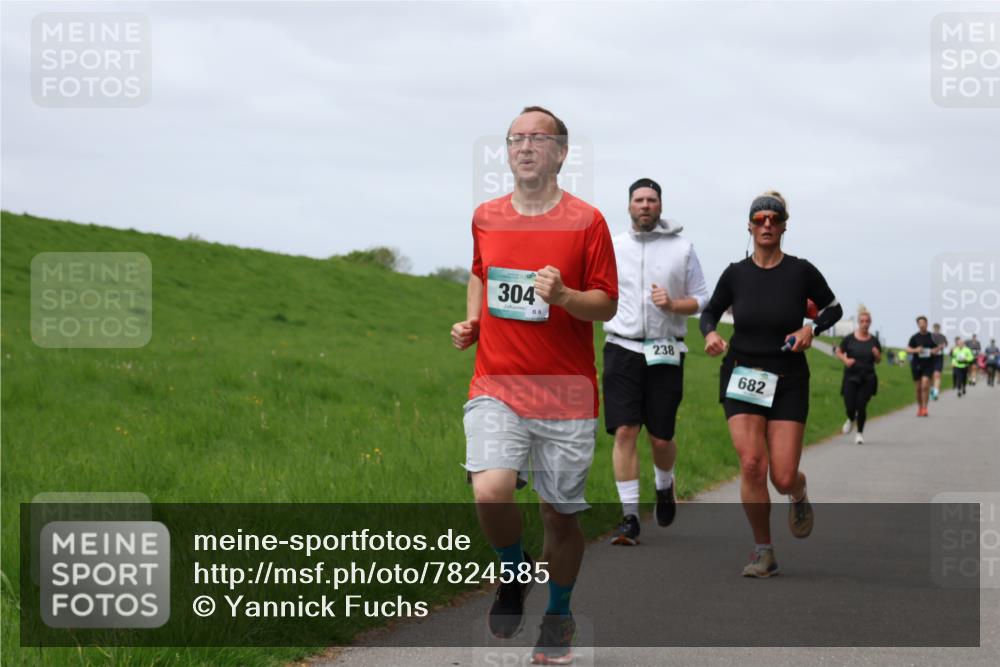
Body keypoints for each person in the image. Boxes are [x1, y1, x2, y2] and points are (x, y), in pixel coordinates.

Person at [451, 106, 618, 665]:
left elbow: (607, 301)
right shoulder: (486, 216)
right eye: (516, 138)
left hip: (567, 394)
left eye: (537, 138)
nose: (524, 146)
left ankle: (559, 612)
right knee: (489, 489)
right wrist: (473, 322)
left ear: (561, 152)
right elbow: (481, 271)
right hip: (496, 384)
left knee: (559, 515)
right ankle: (513, 569)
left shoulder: (587, 222)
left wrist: (566, 298)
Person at [700, 190, 842, 578]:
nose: (766, 225)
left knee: (781, 476)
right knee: (750, 464)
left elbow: (834, 307)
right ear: (749, 226)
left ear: (783, 227)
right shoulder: (735, 273)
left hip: (788, 379)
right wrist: (710, 333)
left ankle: (798, 493)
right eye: (759, 219)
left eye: (773, 219)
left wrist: (811, 328)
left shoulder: (801, 271)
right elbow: (709, 310)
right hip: (742, 374)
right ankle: (763, 551)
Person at [602, 177, 710, 545]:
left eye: (651, 200)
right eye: (638, 200)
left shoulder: (682, 248)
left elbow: (701, 298)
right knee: (625, 431)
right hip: (621, 346)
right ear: (629, 206)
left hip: (665, 348)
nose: (645, 205)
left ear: (660, 206)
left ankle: (665, 486)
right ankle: (629, 517)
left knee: (661, 439)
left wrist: (672, 305)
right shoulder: (612, 247)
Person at [836, 310, 882, 445]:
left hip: (868, 377)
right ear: (858, 322)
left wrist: (877, 354)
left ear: (870, 322)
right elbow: (839, 352)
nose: (865, 324)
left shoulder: (874, 341)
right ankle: (850, 419)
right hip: (851, 377)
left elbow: (878, 360)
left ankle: (859, 433)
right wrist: (845, 360)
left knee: (861, 406)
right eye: (862, 321)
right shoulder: (849, 339)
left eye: (867, 321)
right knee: (850, 405)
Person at [906, 317, 942, 417]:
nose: (922, 325)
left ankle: (925, 408)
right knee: (918, 388)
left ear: (927, 324)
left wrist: (935, 350)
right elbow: (908, 349)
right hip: (916, 364)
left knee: (925, 385)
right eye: (920, 323)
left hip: (928, 365)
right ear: (918, 325)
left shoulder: (932, 336)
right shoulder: (914, 337)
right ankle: (920, 407)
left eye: (924, 323)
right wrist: (916, 350)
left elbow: (940, 346)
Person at [930, 323, 948, 401]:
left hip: (939, 358)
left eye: (937, 328)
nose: (936, 330)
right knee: (931, 377)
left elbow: (945, 344)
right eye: (935, 328)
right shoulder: (929, 336)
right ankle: (932, 392)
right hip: (930, 358)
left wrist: (943, 345)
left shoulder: (942, 337)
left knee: (937, 375)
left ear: (939, 329)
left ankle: (935, 393)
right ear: (933, 328)